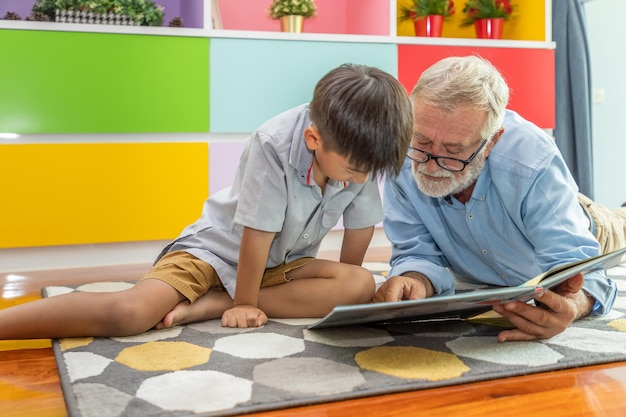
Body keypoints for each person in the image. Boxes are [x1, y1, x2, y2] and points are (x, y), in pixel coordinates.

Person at [0, 63, 412, 338]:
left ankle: (211, 305)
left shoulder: (358, 149)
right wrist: (245, 305)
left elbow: (358, 231)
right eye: (355, 172)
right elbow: (256, 233)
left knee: (359, 284)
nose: (361, 180)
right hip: (215, 253)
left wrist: (347, 301)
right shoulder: (273, 142)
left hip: (281, 264)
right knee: (129, 315)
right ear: (314, 139)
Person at [375, 55, 626, 342]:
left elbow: (584, 270)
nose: (430, 166)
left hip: (591, 221)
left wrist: (574, 304)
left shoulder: (533, 161)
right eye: (421, 141)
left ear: (491, 141)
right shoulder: (401, 160)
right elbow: (416, 254)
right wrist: (414, 279)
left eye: (453, 150)